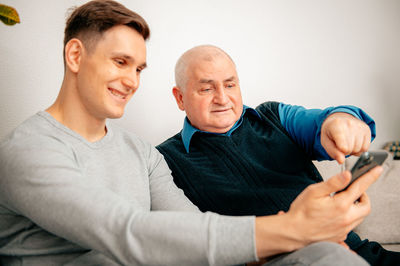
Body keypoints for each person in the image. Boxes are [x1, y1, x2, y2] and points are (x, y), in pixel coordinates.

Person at [0, 1, 377, 265]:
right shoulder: (29, 149)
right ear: (76, 56)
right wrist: (294, 227)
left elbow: (192, 230)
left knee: (327, 256)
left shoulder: (141, 153)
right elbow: (127, 232)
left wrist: (340, 121)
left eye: (139, 69)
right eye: (120, 62)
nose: (131, 81)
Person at [157, 44, 400, 265]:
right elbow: (192, 244)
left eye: (230, 85)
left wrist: (341, 120)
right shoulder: (164, 161)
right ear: (180, 98)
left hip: (358, 251)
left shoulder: (273, 116)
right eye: (207, 88)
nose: (222, 98)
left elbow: (323, 121)